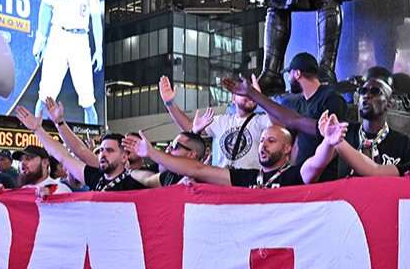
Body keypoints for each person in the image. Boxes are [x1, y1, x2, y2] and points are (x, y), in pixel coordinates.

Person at [224, 54, 349, 178]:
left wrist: (254, 94)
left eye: (289, 73)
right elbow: (282, 126)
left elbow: (296, 121)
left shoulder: (332, 99)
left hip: (324, 178)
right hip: (300, 176)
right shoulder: (297, 102)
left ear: (297, 74)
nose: (288, 78)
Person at [126, 116, 339, 188]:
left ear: (287, 148)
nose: (263, 145)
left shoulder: (295, 175)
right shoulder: (245, 176)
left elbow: (316, 163)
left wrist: (329, 142)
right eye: (262, 140)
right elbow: (199, 169)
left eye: (271, 141)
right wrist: (152, 153)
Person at [32, 0, 103, 125]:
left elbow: (95, 16)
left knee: (88, 99)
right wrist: (40, 38)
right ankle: (35, 135)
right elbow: (46, 6)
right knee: (45, 95)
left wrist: (98, 48)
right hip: (58, 35)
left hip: (80, 38)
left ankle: (94, 144)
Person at [14, 108, 145, 191]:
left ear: (124, 157)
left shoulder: (136, 181)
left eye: (109, 150)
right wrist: (38, 130)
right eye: (101, 150)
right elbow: (64, 157)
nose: (103, 154)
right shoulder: (96, 178)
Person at [158, 74, 268, 172]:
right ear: (233, 98)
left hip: (249, 188)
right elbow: (188, 127)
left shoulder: (263, 121)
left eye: (252, 92)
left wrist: (260, 98)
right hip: (220, 186)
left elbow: (281, 121)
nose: (250, 96)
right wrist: (169, 103)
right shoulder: (220, 121)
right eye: (245, 92)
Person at [322, 76, 410, 177]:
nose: (366, 95)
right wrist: (330, 138)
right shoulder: (343, 132)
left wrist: (339, 143)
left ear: (390, 103)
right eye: (362, 91)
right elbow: (308, 173)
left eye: (375, 91)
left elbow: (374, 171)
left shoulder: (405, 145)